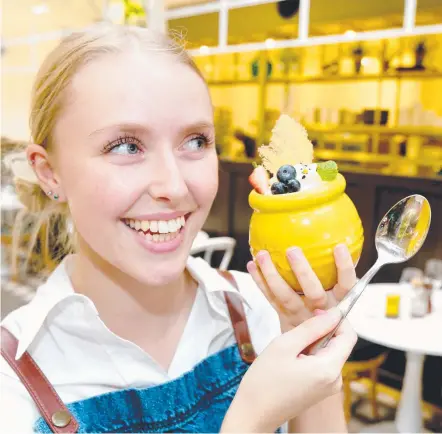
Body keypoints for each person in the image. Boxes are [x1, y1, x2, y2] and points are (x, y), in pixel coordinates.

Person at [1, 24, 358, 433]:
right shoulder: (13, 379)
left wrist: (314, 346)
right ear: (49, 173)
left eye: (195, 141)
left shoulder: (259, 310)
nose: (173, 186)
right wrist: (250, 420)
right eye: (126, 146)